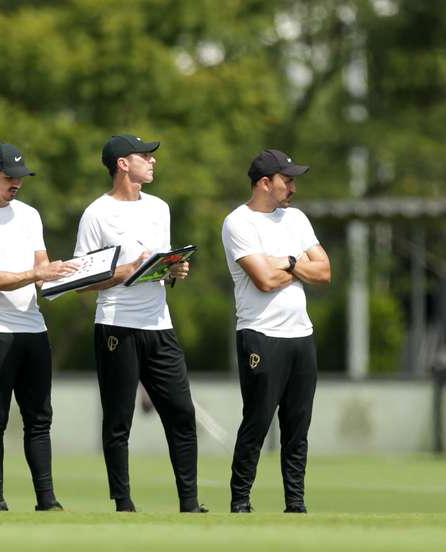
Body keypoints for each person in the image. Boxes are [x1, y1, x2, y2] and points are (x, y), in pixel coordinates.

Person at [73, 135, 207, 513]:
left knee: (182, 413)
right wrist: (128, 270)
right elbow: (83, 280)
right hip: (117, 325)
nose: (153, 162)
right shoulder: (96, 213)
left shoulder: (160, 208)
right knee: (118, 419)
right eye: (144, 156)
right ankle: (123, 503)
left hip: (159, 324)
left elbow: (160, 268)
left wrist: (175, 269)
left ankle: (190, 504)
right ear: (122, 164)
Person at [221, 148, 331, 514]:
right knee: (257, 421)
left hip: (301, 336)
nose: (293, 187)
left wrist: (287, 261)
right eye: (287, 180)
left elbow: (325, 272)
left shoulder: (296, 219)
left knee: (297, 427)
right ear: (265, 183)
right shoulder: (238, 223)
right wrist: (300, 266)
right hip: (260, 335)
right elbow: (264, 280)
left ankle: (295, 504)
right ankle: (240, 502)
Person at [0, 143, 76, 512]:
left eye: (20, 177)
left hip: (34, 328)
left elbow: (43, 272)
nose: (16, 183)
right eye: (9, 177)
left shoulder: (29, 215)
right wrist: (38, 274)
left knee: (39, 418)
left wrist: (73, 276)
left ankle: (46, 500)